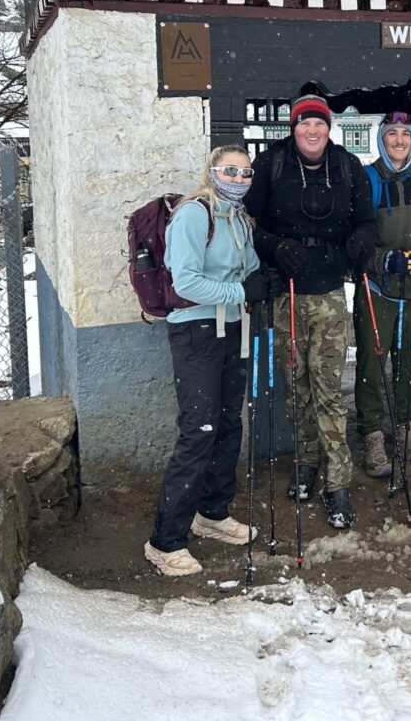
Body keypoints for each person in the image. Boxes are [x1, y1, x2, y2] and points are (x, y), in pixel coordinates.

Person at [244, 94, 377, 529]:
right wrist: (274, 246)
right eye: (304, 124)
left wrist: (362, 239)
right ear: (294, 127)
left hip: (330, 292)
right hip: (286, 291)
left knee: (328, 389)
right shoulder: (271, 165)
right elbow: (250, 221)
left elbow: (366, 218)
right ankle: (305, 460)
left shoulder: (346, 166)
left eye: (319, 123)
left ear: (328, 127)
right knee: (296, 385)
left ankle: (337, 482)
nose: (313, 131)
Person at [145, 145, 266, 577]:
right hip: (196, 329)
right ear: (212, 172)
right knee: (200, 430)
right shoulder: (195, 214)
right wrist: (239, 293)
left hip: (234, 327)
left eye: (245, 172)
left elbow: (247, 266)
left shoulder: (238, 218)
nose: (238, 178)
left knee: (229, 422)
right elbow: (187, 280)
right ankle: (165, 540)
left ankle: (212, 513)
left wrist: (257, 279)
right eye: (229, 170)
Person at [354, 112, 411, 478]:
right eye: (391, 134)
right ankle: (373, 436)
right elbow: (356, 236)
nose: (398, 141)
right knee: (372, 366)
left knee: (409, 363)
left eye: (405, 135)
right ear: (382, 139)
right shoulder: (367, 180)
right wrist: (383, 260)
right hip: (377, 288)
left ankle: (407, 429)